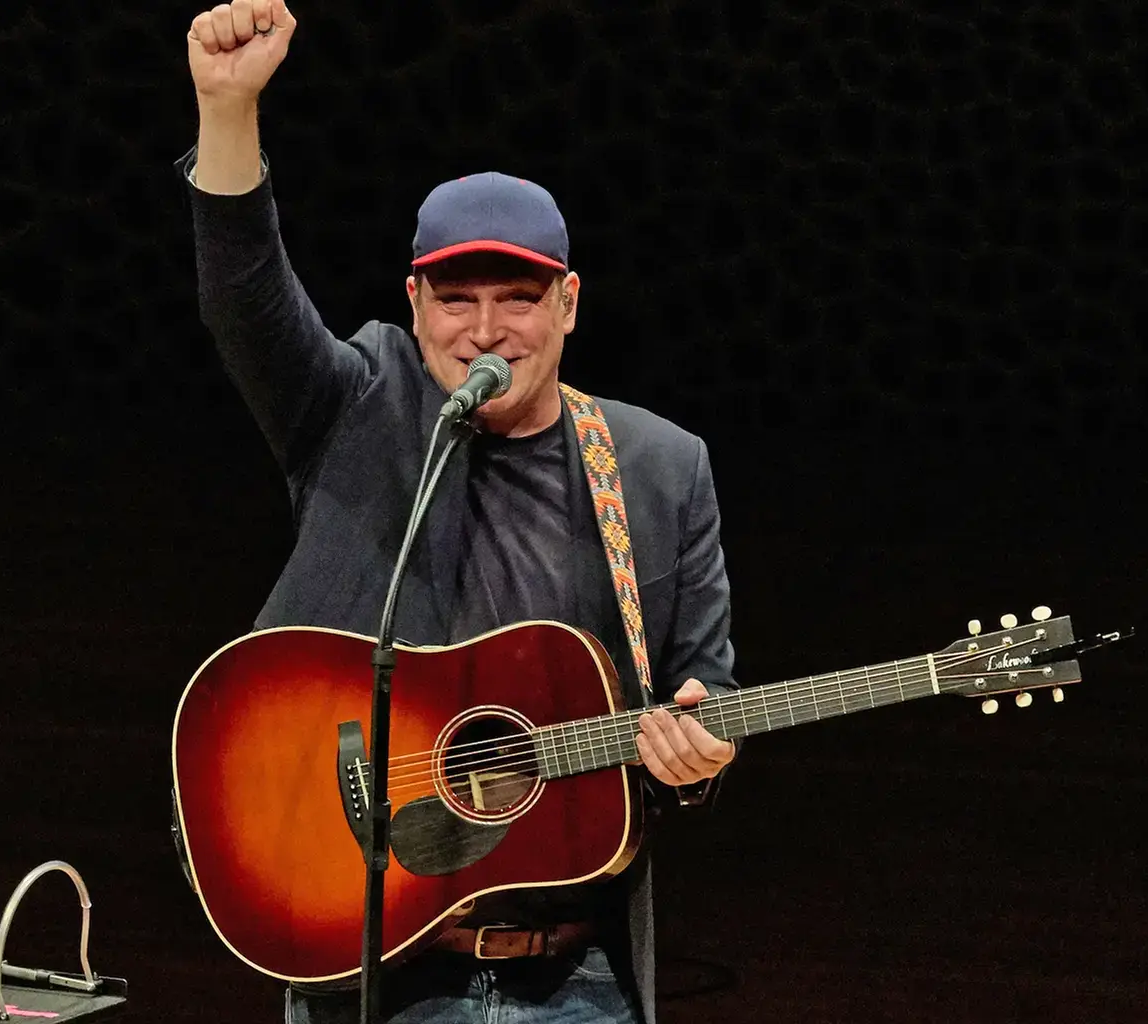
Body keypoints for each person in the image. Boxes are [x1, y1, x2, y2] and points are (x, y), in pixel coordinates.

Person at [178, 1, 739, 1022]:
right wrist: (227, 111)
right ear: (413, 302)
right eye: (456, 298)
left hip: (575, 980)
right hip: (373, 965)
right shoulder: (359, 405)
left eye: (518, 298)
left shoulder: (661, 470)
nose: (487, 329)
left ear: (568, 303)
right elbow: (244, 302)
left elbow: (705, 690)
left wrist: (697, 755)